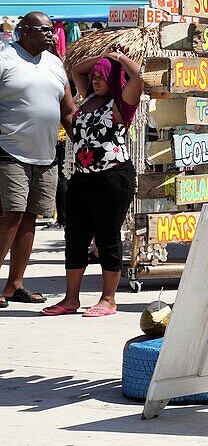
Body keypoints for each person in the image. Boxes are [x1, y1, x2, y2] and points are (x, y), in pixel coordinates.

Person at [41, 47, 142, 317]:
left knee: (107, 237)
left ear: (112, 78)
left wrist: (117, 59)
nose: (95, 79)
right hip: (82, 178)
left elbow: (137, 78)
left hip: (112, 177)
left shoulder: (121, 102)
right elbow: (76, 70)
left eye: (101, 76)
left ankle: (108, 299)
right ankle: (70, 299)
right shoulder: (87, 100)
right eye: (95, 76)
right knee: (75, 237)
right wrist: (102, 58)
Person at [0, 12, 75, 308]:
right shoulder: (5, 59)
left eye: (51, 30)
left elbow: (68, 110)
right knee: (12, 214)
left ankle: (15, 285)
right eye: (44, 30)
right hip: (8, 149)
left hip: (45, 154)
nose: (50, 35)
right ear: (24, 31)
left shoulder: (55, 64)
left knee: (31, 216)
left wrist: (83, 147)